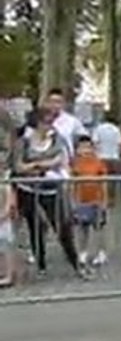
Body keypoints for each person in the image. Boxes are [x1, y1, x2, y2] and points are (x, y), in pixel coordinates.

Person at [12, 107, 81, 278]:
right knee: (35, 226)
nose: (50, 126)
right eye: (46, 122)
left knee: (61, 225)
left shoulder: (57, 139)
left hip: (50, 189)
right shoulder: (24, 142)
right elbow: (19, 166)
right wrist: (39, 165)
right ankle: (41, 264)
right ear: (37, 124)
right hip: (27, 189)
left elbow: (60, 160)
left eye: (51, 122)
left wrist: (38, 165)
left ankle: (76, 263)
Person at [71, 134, 109, 271]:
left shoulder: (98, 162)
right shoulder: (75, 163)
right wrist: (73, 201)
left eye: (88, 147)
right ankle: (83, 252)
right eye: (82, 147)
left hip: (97, 200)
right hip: (81, 200)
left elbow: (104, 181)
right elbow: (72, 184)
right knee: (82, 228)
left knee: (99, 228)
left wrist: (104, 200)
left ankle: (101, 252)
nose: (85, 150)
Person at [43, 88, 87, 155]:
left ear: (63, 104)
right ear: (46, 103)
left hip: (65, 162)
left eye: (57, 102)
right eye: (51, 101)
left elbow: (84, 140)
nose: (54, 105)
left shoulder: (72, 121)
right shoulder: (38, 121)